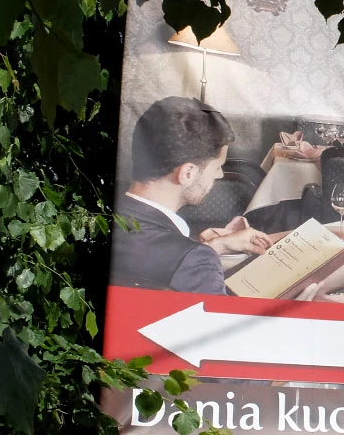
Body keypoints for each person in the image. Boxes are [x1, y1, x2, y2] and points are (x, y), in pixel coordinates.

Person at [112, 97, 272, 294]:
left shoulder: (96, 217)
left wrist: (215, 246)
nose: (220, 175)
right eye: (218, 166)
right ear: (188, 173)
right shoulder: (195, 260)